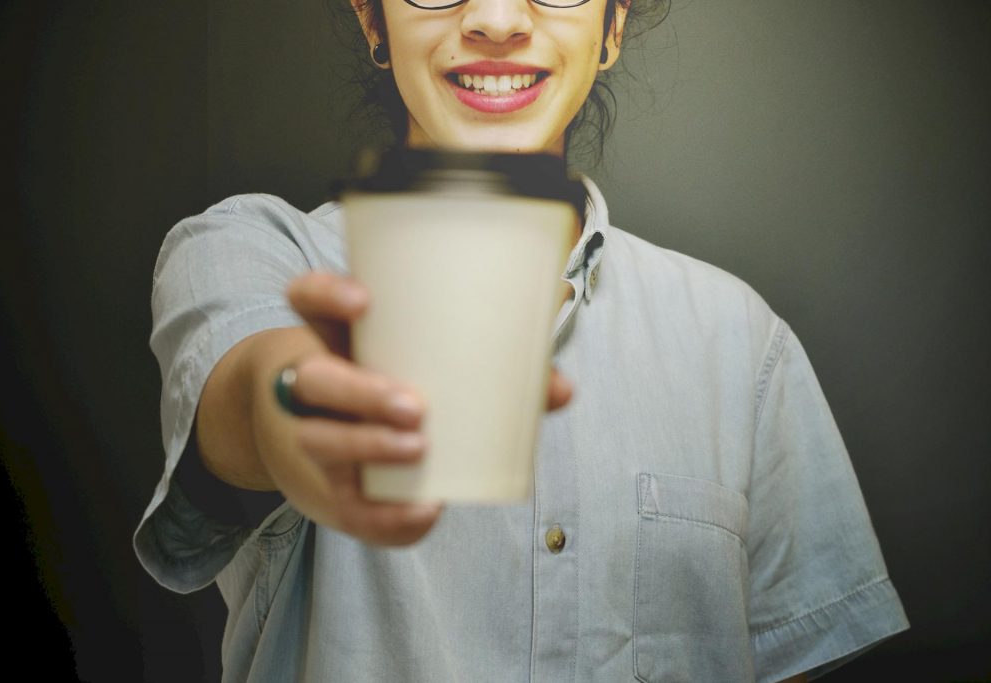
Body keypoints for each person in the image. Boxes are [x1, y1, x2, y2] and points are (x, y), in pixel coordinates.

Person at [134, 1, 909, 681]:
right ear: (372, 17)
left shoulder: (742, 344)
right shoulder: (253, 253)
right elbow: (253, 391)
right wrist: (302, 411)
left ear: (614, 23)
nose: (498, 20)